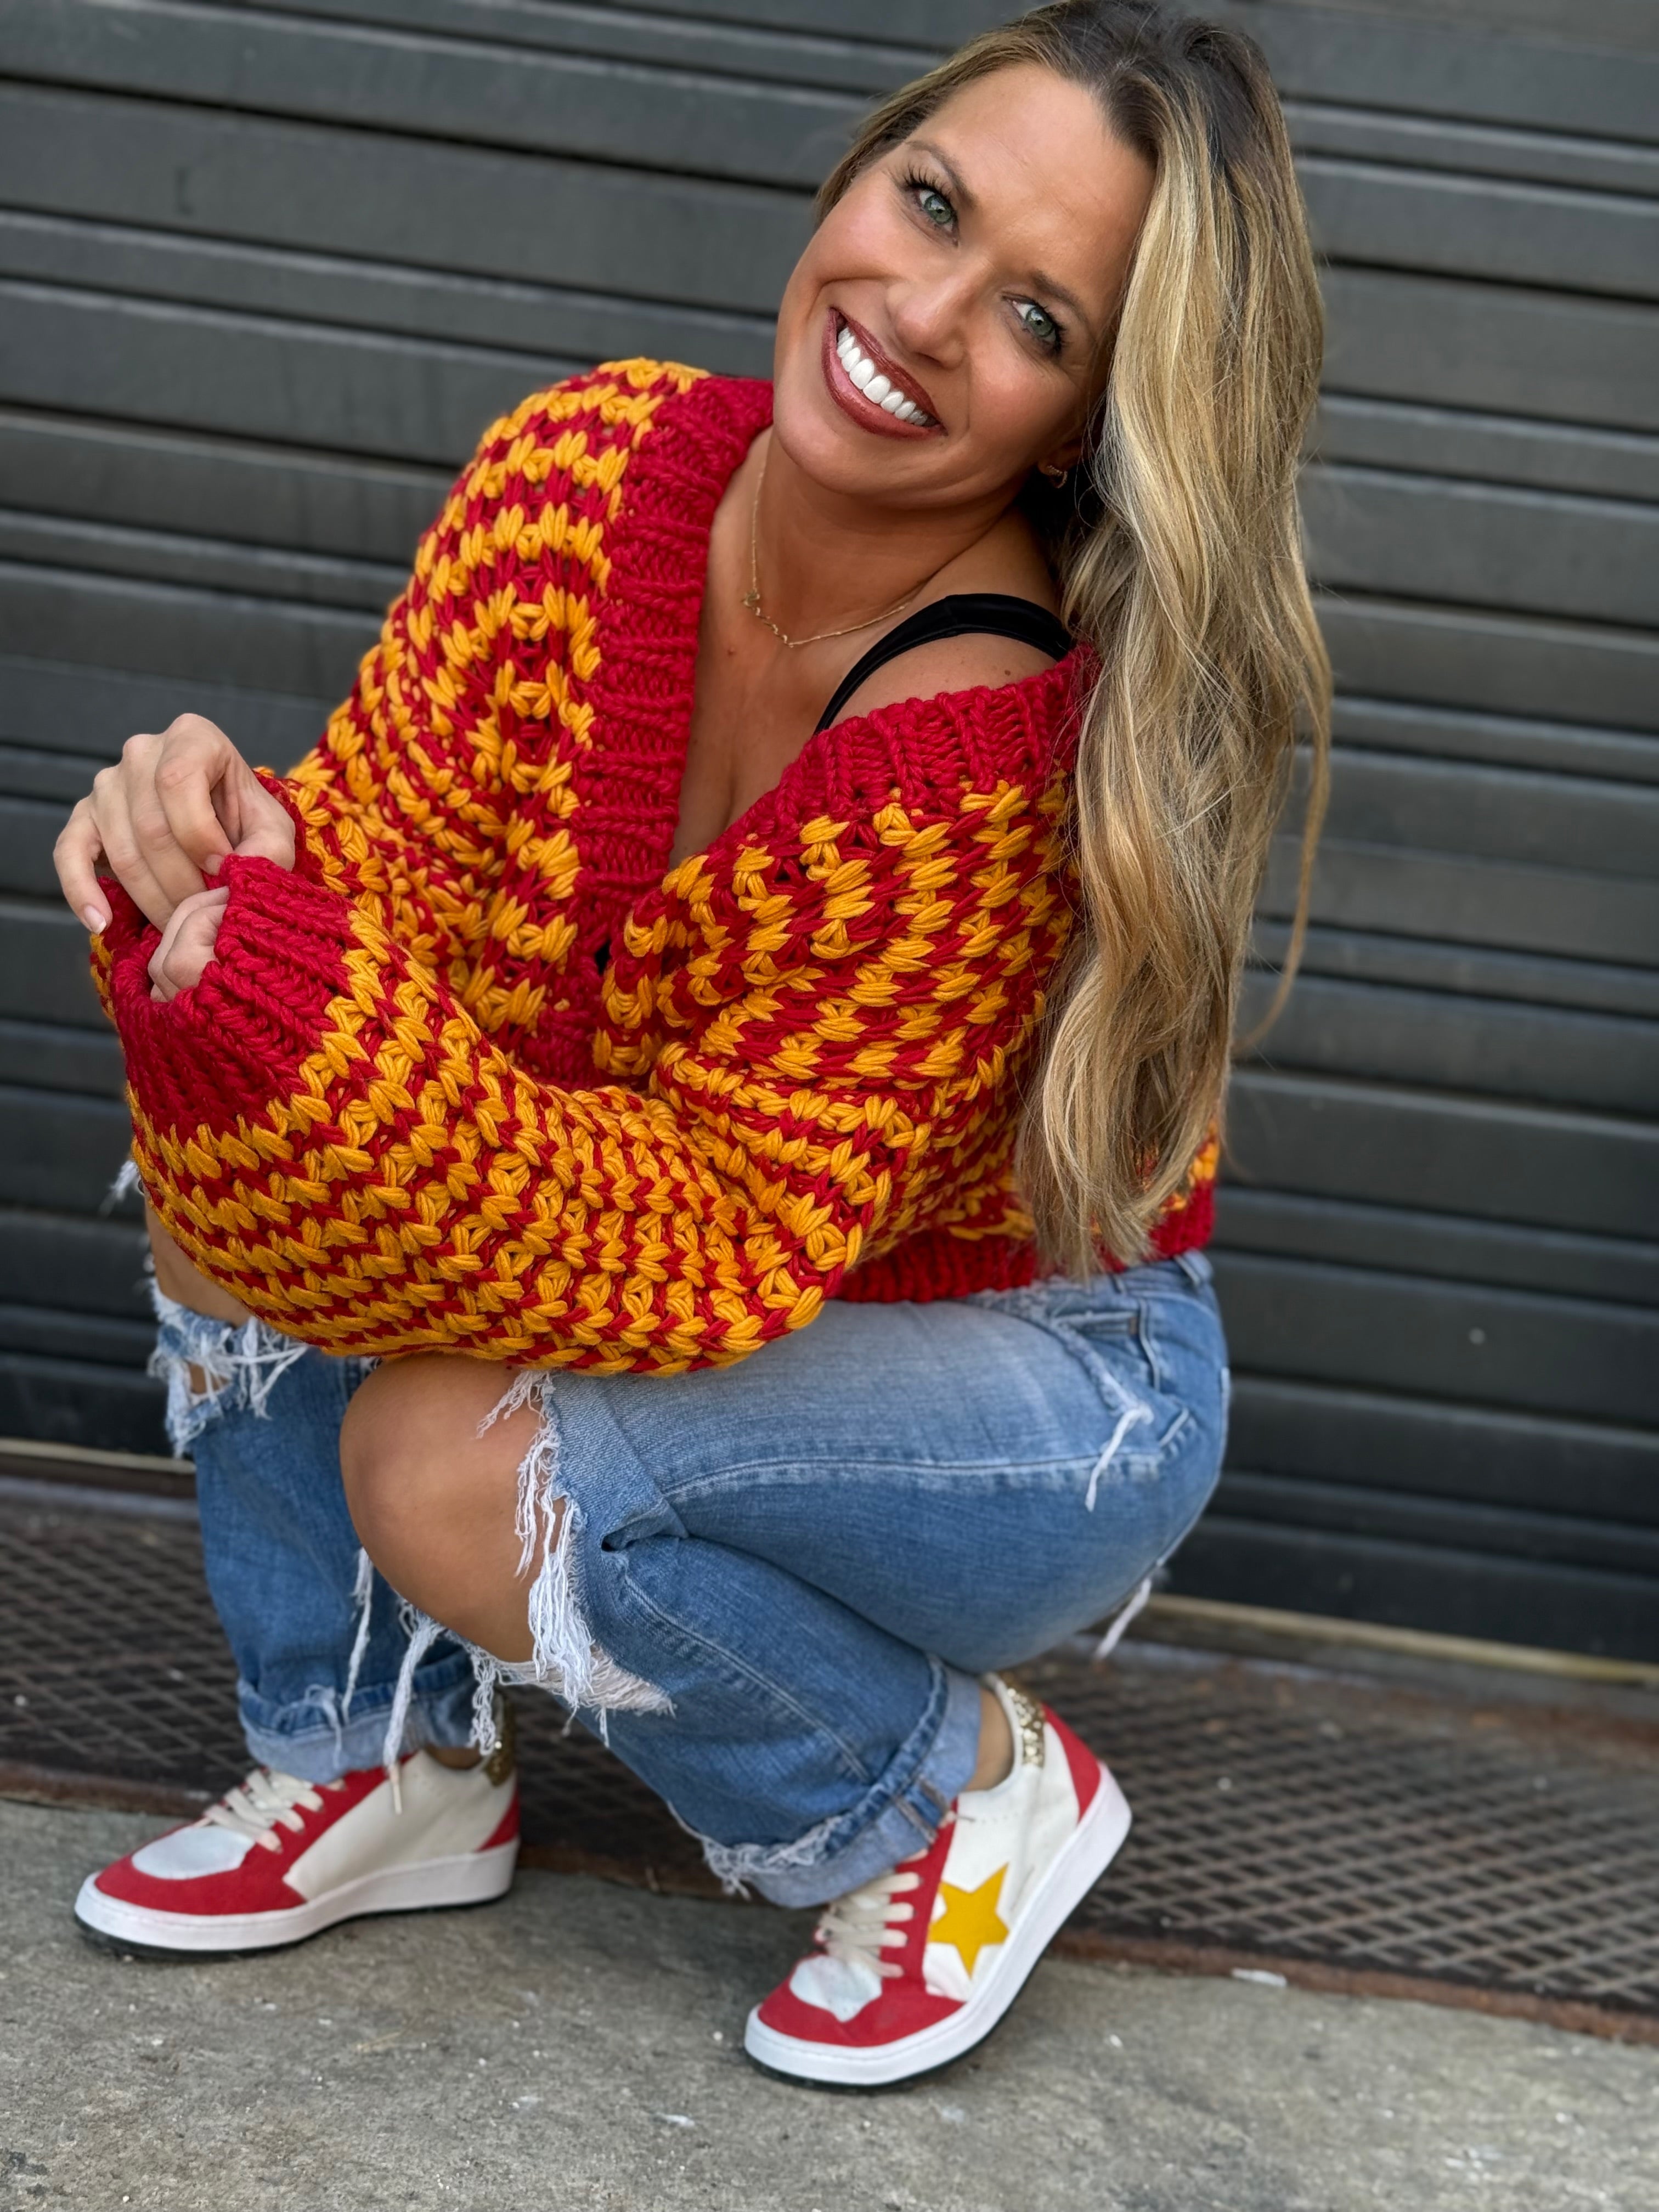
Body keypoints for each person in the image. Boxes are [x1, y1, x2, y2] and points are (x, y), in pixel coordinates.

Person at [53, 0, 1328, 2087]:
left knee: (445, 1460)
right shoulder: (584, 471)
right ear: (858, 172)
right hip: (711, 1259)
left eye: (1034, 317)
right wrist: (237, 869)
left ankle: (947, 1796)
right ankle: (380, 1762)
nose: (919, 315)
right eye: (930, 202)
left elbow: (701, 1237)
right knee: (242, 1123)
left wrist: (301, 1001)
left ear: (1084, 420)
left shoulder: (979, 748)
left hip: (1034, 1375)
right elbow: (389, 872)